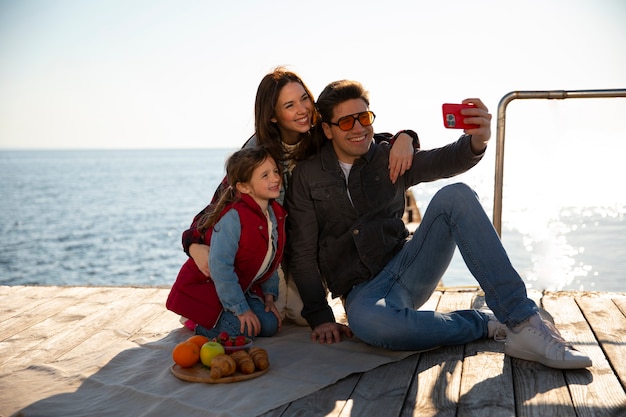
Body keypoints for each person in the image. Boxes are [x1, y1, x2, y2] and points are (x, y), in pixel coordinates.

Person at [285, 79, 592, 369]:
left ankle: (523, 322)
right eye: (347, 122)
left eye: (364, 118)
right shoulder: (307, 176)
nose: (359, 129)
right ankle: (485, 323)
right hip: (362, 293)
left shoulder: (388, 155)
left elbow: (448, 160)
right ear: (327, 129)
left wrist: (477, 139)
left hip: (408, 267)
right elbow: (302, 253)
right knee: (371, 325)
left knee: (455, 196)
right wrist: (321, 316)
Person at [181, 67, 418, 325]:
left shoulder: (319, 136)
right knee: (273, 317)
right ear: (273, 116)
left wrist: (405, 137)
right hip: (269, 250)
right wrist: (193, 243)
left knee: (302, 314)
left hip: (306, 248)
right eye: (290, 105)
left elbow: (359, 139)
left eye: (304, 98)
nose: (303, 109)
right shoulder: (257, 152)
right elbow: (221, 201)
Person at [166, 146, 286, 339]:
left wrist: (269, 297)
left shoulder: (274, 215)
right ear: (244, 187)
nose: (275, 178)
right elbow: (221, 268)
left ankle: (231, 310)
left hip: (240, 287)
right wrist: (241, 310)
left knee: (270, 325)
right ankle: (196, 318)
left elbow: (273, 258)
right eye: (265, 175)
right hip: (206, 289)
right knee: (240, 331)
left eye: (275, 171)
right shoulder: (234, 217)